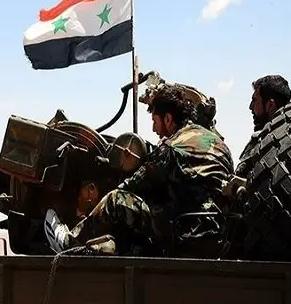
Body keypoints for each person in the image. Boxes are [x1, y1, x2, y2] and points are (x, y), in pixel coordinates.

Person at [44, 84, 235, 256]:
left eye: (155, 121)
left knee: (115, 201)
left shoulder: (171, 148)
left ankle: (68, 242)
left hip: (186, 236)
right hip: (219, 236)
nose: (153, 128)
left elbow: (133, 186)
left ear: (168, 119)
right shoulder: (219, 145)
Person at [235, 75, 291, 177]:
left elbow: (238, 179)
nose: (250, 107)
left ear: (270, 105)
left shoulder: (260, 141)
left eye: (254, 100)